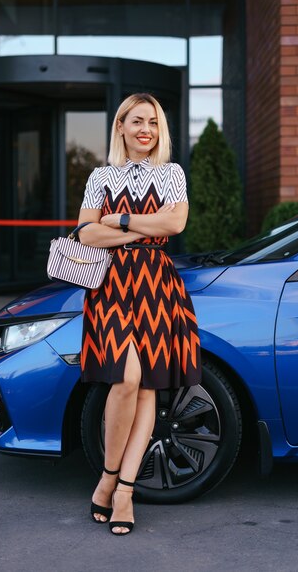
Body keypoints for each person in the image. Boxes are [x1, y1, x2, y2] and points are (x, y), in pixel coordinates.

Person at [77, 93, 201, 535]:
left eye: (152, 121)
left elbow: (174, 226)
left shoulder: (171, 174)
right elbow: (86, 233)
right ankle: (109, 477)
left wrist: (120, 220)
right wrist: (133, 226)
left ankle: (121, 490)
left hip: (157, 286)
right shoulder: (100, 176)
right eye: (136, 121)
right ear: (121, 127)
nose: (145, 129)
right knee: (126, 379)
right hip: (112, 286)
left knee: (148, 387)